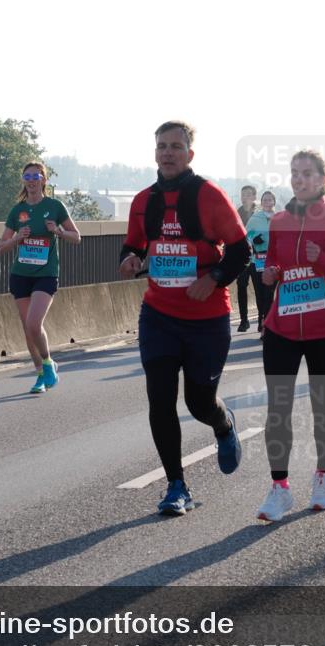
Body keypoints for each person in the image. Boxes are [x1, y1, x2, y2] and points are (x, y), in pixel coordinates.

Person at [119, 121, 251, 515]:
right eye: (162, 146)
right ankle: (176, 486)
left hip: (207, 320)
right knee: (160, 400)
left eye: (176, 146)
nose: (168, 153)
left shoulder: (209, 195)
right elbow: (133, 245)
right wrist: (130, 259)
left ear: (189, 154)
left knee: (198, 402)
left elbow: (241, 252)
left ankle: (223, 424)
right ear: (154, 153)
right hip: (158, 315)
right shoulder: (143, 201)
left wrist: (213, 278)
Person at [256, 150, 325, 521]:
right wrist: (270, 273)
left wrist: (322, 258)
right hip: (282, 327)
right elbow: (273, 263)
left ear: (323, 179)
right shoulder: (279, 221)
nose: (299, 179)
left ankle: (323, 475)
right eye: (294, 173)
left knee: (324, 408)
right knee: (278, 410)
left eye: (307, 173)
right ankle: (279, 487)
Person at [0, 161, 81, 394]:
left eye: (36, 176)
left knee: (34, 323)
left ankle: (47, 363)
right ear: (23, 181)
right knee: (28, 329)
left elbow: (76, 237)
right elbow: (1, 247)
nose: (32, 181)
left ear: (43, 180)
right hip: (21, 275)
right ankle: (40, 375)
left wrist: (58, 231)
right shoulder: (17, 211)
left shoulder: (54, 206)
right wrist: (17, 238)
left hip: (45, 274)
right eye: (27, 177)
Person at [245, 190, 277, 336]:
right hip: (257, 260)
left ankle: (266, 324)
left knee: (269, 293)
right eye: (265, 200)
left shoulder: (279, 218)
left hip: (273, 261)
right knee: (260, 293)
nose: (267, 202)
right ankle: (261, 319)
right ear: (261, 202)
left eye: (270, 200)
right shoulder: (254, 218)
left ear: (274, 202)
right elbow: (246, 237)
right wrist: (254, 240)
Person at [235, 185, 258, 332]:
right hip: (242, 256)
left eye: (249, 194)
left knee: (259, 288)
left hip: (258, 256)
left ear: (254, 197)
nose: (245, 197)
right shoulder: (236, 213)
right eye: (243, 194)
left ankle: (262, 320)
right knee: (241, 285)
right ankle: (244, 320)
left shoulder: (259, 214)